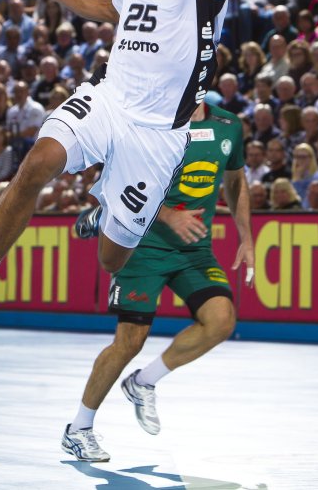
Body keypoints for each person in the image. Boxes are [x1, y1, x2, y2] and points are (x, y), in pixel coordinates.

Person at [0, 0, 252, 347]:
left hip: (157, 134)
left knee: (112, 259)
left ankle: (107, 210)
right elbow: (108, 5)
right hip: (108, 100)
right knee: (38, 163)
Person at [63, 98, 252, 460]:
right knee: (129, 342)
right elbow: (126, 177)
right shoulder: (151, 121)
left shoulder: (228, 125)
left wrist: (247, 238)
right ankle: (78, 429)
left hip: (193, 249)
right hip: (143, 244)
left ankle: (144, 382)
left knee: (221, 320)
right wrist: (168, 215)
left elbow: (236, 180)